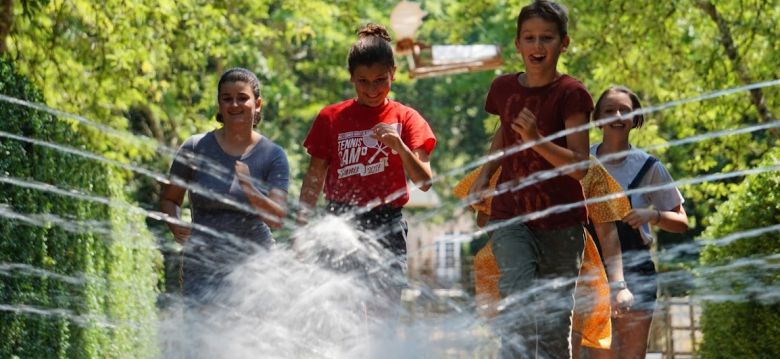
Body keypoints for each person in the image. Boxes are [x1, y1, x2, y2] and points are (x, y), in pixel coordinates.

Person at [468, 1, 594, 357]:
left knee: (554, 326)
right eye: (530, 38)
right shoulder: (503, 88)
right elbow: (503, 135)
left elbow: (580, 166)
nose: (538, 47)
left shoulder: (572, 94)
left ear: (563, 43)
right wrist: (485, 175)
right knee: (519, 301)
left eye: (547, 38)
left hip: (561, 223)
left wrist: (538, 140)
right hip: (511, 215)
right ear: (517, 44)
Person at [297, 24, 436, 309]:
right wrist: (301, 229)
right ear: (351, 78)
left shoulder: (406, 118)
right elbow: (314, 177)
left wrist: (400, 147)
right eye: (363, 81)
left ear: (393, 74)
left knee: (384, 310)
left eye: (380, 80)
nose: (372, 89)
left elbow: (425, 181)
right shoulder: (331, 118)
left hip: (388, 223)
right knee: (339, 309)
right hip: (339, 221)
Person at [454, 157, 635, 358]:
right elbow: (482, 217)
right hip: (518, 268)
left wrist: (619, 284)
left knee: (561, 338)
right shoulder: (506, 162)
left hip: (575, 267)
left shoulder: (586, 166)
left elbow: (606, 230)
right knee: (519, 330)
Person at [160, 67, 290, 305]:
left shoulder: (272, 155)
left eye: (242, 98)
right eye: (227, 99)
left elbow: (277, 218)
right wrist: (175, 222)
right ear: (219, 105)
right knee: (203, 337)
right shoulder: (195, 148)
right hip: (202, 265)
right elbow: (170, 199)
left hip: (256, 267)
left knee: (252, 338)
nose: (234, 105)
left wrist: (251, 190)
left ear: (257, 103)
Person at [591, 85, 689, 359]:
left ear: (636, 118)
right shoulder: (582, 163)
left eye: (625, 110)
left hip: (637, 270)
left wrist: (653, 216)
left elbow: (682, 222)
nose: (617, 116)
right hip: (591, 270)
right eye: (609, 110)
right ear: (597, 118)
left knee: (632, 355)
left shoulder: (650, 167)